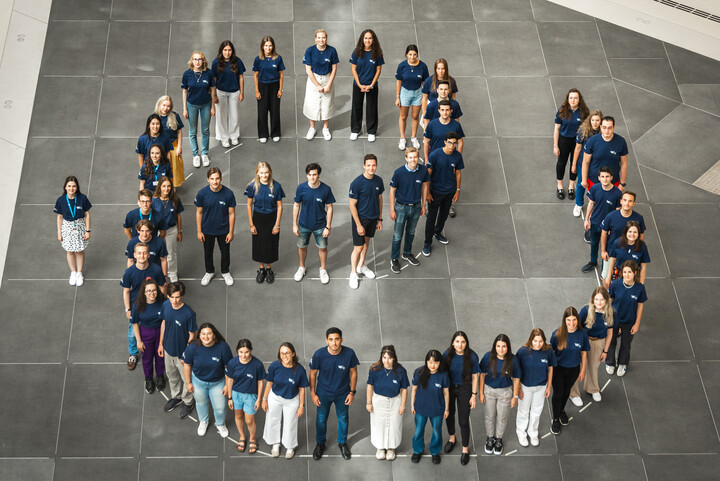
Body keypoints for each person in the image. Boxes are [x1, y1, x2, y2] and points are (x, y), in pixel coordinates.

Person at [309, 327, 359, 461]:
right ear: (326, 341)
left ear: (341, 339)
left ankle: (342, 443)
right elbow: (313, 374)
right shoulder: (319, 355)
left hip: (342, 393)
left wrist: (352, 392)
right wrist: (313, 394)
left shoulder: (349, 354)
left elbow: (353, 373)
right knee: (321, 419)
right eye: (331, 340)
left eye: (337, 339)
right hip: (323, 394)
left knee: (343, 419)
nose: (334, 343)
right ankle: (320, 443)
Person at [183, 322, 233, 438]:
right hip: (198, 382)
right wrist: (188, 382)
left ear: (214, 335)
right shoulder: (193, 347)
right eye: (203, 334)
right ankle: (203, 421)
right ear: (199, 335)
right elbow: (187, 364)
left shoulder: (223, 347)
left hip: (218, 382)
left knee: (220, 408)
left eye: (209, 334)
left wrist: (227, 385)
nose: (206, 337)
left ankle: (220, 424)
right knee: (201, 403)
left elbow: (228, 367)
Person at [121, 243, 166, 370]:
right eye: (139, 253)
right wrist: (128, 309)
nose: (142, 255)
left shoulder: (156, 269)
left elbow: (162, 287)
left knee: (157, 330)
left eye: (144, 253)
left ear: (148, 254)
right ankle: (133, 353)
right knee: (132, 334)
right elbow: (126, 291)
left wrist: (164, 304)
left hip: (153, 304)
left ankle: (160, 349)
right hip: (137, 307)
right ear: (134, 255)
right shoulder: (129, 272)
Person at [262, 342, 309, 458]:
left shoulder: (300, 370)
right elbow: (269, 383)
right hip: (275, 398)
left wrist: (301, 406)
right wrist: (264, 398)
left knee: (290, 423)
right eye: (282, 353)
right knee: (272, 419)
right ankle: (275, 443)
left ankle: (290, 446)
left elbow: (302, 389)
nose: (285, 356)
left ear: (293, 353)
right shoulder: (274, 366)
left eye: (287, 353)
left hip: (292, 400)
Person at [158, 281, 197, 420]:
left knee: (186, 379)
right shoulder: (165, 306)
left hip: (182, 354)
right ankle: (176, 396)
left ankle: (188, 401)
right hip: (168, 350)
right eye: (172, 297)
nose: (174, 300)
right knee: (171, 375)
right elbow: (163, 323)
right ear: (168, 296)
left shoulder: (188, 313)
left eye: (177, 297)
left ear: (182, 296)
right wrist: (161, 344)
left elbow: (192, 335)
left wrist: (186, 355)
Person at [569, 287, 614, 406]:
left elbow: (610, 333)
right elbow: (576, 328)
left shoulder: (611, 313)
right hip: (583, 340)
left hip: (598, 342)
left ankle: (592, 388)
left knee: (593, 366)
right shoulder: (585, 311)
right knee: (575, 367)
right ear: (593, 300)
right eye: (596, 299)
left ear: (606, 300)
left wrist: (605, 351)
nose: (599, 302)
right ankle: (573, 393)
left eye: (602, 300)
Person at [292, 163, 335, 284]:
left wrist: (328, 226)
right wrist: (294, 224)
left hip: (320, 226)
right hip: (303, 225)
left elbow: (330, 208)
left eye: (314, 174)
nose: (312, 177)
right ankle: (302, 267)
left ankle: (323, 269)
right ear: (307, 175)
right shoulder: (301, 188)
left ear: (319, 175)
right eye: (310, 175)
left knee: (322, 248)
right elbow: (296, 205)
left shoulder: (326, 189)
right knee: (302, 247)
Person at [550, 307, 590, 435]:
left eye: (574, 320)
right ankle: (555, 419)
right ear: (564, 320)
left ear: (577, 320)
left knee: (566, 391)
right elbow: (552, 354)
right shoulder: (557, 334)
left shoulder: (582, 334)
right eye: (568, 320)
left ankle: (561, 410)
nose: (571, 323)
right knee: (558, 393)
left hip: (573, 369)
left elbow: (584, 353)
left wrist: (583, 370)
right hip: (559, 369)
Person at [422, 132, 463, 257]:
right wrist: (427, 192)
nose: (452, 146)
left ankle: (438, 232)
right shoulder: (435, 155)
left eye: (454, 143)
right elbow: (427, 174)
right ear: (445, 142)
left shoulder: (457, 156)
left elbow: (458, 174)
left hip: (449, 192)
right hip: (435, 192)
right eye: (450, 142)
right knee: (431, 218)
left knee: (444, 215)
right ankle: (427, 243)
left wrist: (457, 190)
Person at [479, 334, 521, 455]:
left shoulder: (513, 360)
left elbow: (517, 378)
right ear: (494, 346)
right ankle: (490, 438)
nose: (501, 349)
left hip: (505, 393)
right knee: (489, 416)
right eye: (498, 346)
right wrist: (481, 392)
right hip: (489, 391)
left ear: (508, 347)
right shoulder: (488, 357)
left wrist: (515, 396)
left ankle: (498, 439)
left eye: (503, 346)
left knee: (502, 417)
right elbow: (482, 374)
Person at [389, 147, 429, 273]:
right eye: (410, 157)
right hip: (401, 207)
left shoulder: (423, 170)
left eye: (415, 157)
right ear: (406, 158)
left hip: (416, 207)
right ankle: (394, 259)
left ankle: (407, 253)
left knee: (411, 232)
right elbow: (392, 190)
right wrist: (392, 209)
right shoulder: (399, 172)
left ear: (418, 157)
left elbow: (424, 187)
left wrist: (423, 205)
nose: (413, 160)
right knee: (397, 235)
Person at [442, 331, 479, 465]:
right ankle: (452, 438)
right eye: (457, 341)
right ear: (453, 342)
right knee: (449, 415)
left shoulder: (472, 356)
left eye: (463, 342)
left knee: (463, 420)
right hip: (450, 388)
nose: (460, 344)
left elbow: (475, 376)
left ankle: (465, 448)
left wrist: (474, 395)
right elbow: (442, 373)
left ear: (466, 343)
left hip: (465, 389)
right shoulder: (447, 355)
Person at [366, 345, 409, 461]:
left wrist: (403, 405)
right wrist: (368, 402)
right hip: (378, 401)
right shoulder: (375, 369)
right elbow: (370, 385)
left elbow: (404, 389)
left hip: (395, 401)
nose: (387, 361)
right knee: (378, 424)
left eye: (389, 358)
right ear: (381, 357)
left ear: (394, 358)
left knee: (394, 425)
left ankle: (391, 448)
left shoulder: (401, 371)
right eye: (384, 357)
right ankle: (380, 447)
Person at [195, 167, 236, 286]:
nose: (215, 181)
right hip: (207, 230)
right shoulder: (202, 193)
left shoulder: (228, 194)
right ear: (208, 179)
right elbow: (199, 212)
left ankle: (225, 271)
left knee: (225, 252)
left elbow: (231, 213)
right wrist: (199, 231)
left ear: (221, 179)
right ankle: (209, 271)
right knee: (208, 252)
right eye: (212, 179)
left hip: (224, 230)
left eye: (217, 178)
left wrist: (231, 231)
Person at [245, 161, 284, 284]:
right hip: (258, 218)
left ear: (270, 172)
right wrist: (251, 224)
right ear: (257, 173)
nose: (264, 175)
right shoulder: (252, 186)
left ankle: (269, 269)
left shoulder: (276, 186)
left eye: (266, 172)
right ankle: (261, 269)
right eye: (261, 173)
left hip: (271, 218)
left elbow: (280, 207)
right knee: (259, 244)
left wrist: (277, 224)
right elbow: (249, 205)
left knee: (271, 244)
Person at [606, 260, 647, 377]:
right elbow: (610, 300)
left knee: (626, 343)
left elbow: (640, 306)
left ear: (635, 273)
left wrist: (637, 323)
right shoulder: (615, 285)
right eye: (624, 272)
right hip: (614, 319)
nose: (626, 275)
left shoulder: (639, 288)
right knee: (611, 341)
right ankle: (610, 362)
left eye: (629, 272)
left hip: (629, 320)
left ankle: (622, 363)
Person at [515, 328, 555, 447]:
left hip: (541, 387)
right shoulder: (522, 352)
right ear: (531, 340)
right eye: (535, 341)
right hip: (525, 387)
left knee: (536, 411)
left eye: (541, 341)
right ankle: (521, 433)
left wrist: (548, 387)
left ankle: (533, 432)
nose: (538, 344)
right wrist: (518, 389)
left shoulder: (548, 351)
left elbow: (551, 368)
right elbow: (517, 372)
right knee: (523, 411)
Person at [348, 154, 384, 289]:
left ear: (376, 166)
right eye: (368, 165)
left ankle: (362, 265)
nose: (371, 168)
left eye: (373, 165)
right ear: (364, 166)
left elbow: (380, 199)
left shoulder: (378, 181)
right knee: (357, 248)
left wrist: (379, 219)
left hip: (373, 218)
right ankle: (353, 273)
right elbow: (352, 205)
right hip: (361, 219)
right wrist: (358, 224)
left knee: (366, 243)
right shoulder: (357, 183)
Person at [225, 339, 265, 454]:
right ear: (237, 351)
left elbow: (260, 382)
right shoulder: (233, 363)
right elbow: (230, 380)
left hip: (250, 396)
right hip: (236, 394)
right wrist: (230, 397)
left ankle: (252, 439)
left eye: (246, 352)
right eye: (241, 352)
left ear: (250, 351)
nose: (244, 355)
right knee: (238, 416)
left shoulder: (257, 365)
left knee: (249, 420)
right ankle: (242, 436)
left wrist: (258, 399)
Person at [410, 349, 449, 464]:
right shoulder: (418, 372)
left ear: (440, 363)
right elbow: (414, 390)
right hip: (420, 408)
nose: (433, 365)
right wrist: (412, 405)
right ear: (426, 361)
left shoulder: (443, 375)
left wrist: (446, 409)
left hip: (437, 410)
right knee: (418, 431)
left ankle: (435, 452)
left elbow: (446, 392)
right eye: (430, 362)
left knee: (437, 432)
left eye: (436, 362)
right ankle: (417, 451)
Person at [582, 166, 621, 273]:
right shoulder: (595, 188)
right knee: (594, 243)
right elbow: (591, 203)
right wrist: (587, 219)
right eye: (602, 176)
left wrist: (612, 227)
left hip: (608, 228)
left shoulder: (617, 193)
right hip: (595, 223)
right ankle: (593, 261)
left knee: (607, 248)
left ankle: (605, 269)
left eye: (607, 176)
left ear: (611, 177)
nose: (605, 179)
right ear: (599, 178)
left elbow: (617, 212)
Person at [54, 176, 92, 287]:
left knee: (79, 250)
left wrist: (88, 230)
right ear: (65, 187)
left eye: (74, 186)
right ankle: (73, 272)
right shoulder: (61, 200)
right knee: (69, 251)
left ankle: (79, 273)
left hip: (80, 226)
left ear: (77, 187)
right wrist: (59, 232)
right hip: (67, 227)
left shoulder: (82, 198)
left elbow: (87, 214)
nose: (71, 188)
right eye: (69, 186)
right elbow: (59, 217)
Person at [131, 279, 166, 394]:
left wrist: (161, 341)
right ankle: (149, 379)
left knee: (160, 356)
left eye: (154, 290)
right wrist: (138, 341)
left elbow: (164, 321)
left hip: (160, 331)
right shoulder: (137, 306)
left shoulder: (163, 303)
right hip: (146, 333)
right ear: (144, 292)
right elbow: (135, 323)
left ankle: (160, 376)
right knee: (147, 358)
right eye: (149, 291)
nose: (152, 293)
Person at [303, 29, 339, 141]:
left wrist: (328, 84)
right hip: (314, 79)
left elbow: (334, 69)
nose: (321, 40)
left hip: (327, 78)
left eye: (323, 37)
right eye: (319, 37)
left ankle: (325, 128)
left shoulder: (332, 50)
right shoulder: (310, 50)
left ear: (326, 38)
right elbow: (308, 70)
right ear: (315, 39)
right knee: (311, 103)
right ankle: (312, 128)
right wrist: (317, 85)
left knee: (326, 103)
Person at [182, 51, 216, 168]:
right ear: (192, 60)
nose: (197, 62)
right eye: (195, 59)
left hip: (206, 104)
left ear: (203, 61)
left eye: (200, 59)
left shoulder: (209, 73)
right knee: (193, 131)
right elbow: (185, 91)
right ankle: (196, 155)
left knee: (205, 130)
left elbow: (212, 89)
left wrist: (212, 106)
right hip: (191, 105)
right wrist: (184, 108)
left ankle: (204, 154)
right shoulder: (187, 74)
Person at [553, 89, 589, 200]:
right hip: (564, 141)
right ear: (568, 99)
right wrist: (555, 145)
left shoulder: (584, 112)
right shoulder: (562, 111)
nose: (573, 100)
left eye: (575, 98)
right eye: (571, 98)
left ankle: (571, 186)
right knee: (561, 162)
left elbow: (587, 128)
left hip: (577, 142)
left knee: (574, 163)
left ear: (579, 99)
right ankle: (559, 186)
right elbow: (557, 128)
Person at [349, 29, 384, 142]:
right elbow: (353, 69)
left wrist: (371, 85)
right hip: (358, 85)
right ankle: (355, 130)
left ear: (373, 40)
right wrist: (359, 84)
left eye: (370, 38)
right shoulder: (356, 52)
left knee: (371, 108)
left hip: (371, 85)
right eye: (365, 38)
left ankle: (371, 131)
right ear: (362, 39)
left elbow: (378, 71)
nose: (367, 40)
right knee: (356, 107)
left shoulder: (377, 53)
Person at [394, 44, 429, 150]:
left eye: (414, 54)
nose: (412, 57)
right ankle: (402, 138)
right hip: (405, 93)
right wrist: (397, 97)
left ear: (417, 54)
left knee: (415, 116)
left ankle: (414, 137)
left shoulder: (423, 66)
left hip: (418, 93)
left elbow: (425, 82)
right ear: (406, 55)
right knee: (403, 116)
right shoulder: (402, 66)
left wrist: (424, 97)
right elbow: (398, 82)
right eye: (410, 54)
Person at [600, 190, 646, 271]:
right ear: (621, 201)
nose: (627, 203)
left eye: (630, 201)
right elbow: (604, 233)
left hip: (629, 254)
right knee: (606, 276)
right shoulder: (611, 216)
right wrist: (603, 251)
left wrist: (637, 249)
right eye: (625, 200)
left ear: (633, 203)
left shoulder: (639, 218)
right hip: (611, 251)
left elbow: (641, 234)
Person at [581, 116, 628, 192]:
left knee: (612, 203)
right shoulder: (592, 141)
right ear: (600, 127)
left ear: (613, 128)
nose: (607, 131)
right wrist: (584, 180)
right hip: (594, 181)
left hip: (613, 181)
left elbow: (624, 163)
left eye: (609, 128)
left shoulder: (621, 142)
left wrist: (622, 183)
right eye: (604, 127)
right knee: (593, 203)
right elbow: (585, 162)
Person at [212, 40, 245, 148]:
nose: (227, 52)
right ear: (221, 51)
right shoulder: (215, 62)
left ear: (232, 51)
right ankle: (224, 138)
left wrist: (242, 92)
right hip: (220, 92)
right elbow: (214, 80)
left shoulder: (237, 61)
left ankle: (234, 135)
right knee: (221, 116)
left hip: (234, 92)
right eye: (225, 50)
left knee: (234, 115)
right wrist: (214, 96)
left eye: (229, 50)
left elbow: (241, 77)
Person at [253, 36, 285, 143]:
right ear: (262, 46)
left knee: (275, 110)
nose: (268, 48)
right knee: (262, 111)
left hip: (275, 86)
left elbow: (281, 75)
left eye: (270, 45)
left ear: (273, 46)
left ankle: (275, 133)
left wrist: (280, 89)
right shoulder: (258, 59)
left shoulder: (278, 58)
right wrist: (257, 91)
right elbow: (256, 75)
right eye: (266, 45)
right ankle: (263, 134)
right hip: (262, 86)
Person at [571, 109, 602, 217]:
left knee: (596, 185)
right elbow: (577, 148)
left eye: (597, 120)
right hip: (582, 162)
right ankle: (579, 204)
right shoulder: (583, 131)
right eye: (593, 120)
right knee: (581, 183)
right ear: (590, 120)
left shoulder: (603, 133)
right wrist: (574, 164)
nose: (595, 122)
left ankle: (593, 204)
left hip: (597, 164)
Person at [153, 176, 183, 282]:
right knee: (157, 253)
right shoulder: (154, 201)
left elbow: (178, 216)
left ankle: (172, 273)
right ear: (160, 187)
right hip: (158, 232)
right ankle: (158, 272)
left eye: (169, 186)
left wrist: (179, 231)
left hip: (171, 230)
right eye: (164, 186)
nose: (167, 189)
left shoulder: (175, 199)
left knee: (171, 253)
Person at [604, 221, 650, 289]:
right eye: (630, 231)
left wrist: (641, 284)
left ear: (638, 234)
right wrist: (608, 276)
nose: (632, 234)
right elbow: (613, 260)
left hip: (633, 277)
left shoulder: (642, 247)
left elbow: (643, 267)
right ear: (626, 232)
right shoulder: (617, 243)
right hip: (618, 274)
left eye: (635, 232)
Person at [154, 95, 185, 187]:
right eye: (164, 105)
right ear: (159, 104)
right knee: (161, 168)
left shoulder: (174, 116)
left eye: (168, 106)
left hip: (173, 145)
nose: (165, 108)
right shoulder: (155, 117)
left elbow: (179, 132)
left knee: (174, 168)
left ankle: (172, 186)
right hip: (160, 147)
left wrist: (179, 146)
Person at [421, 58, 458, 122]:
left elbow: (453, 97)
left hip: (446, 109)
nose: (440, 71)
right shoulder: (428, 81)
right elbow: (424, 99)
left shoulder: (452, 81)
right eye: (438, 68)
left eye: (443, 68)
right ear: (435, 69)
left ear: (446, 69)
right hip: (432, 109)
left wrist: (451, 112)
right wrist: (425, 115)